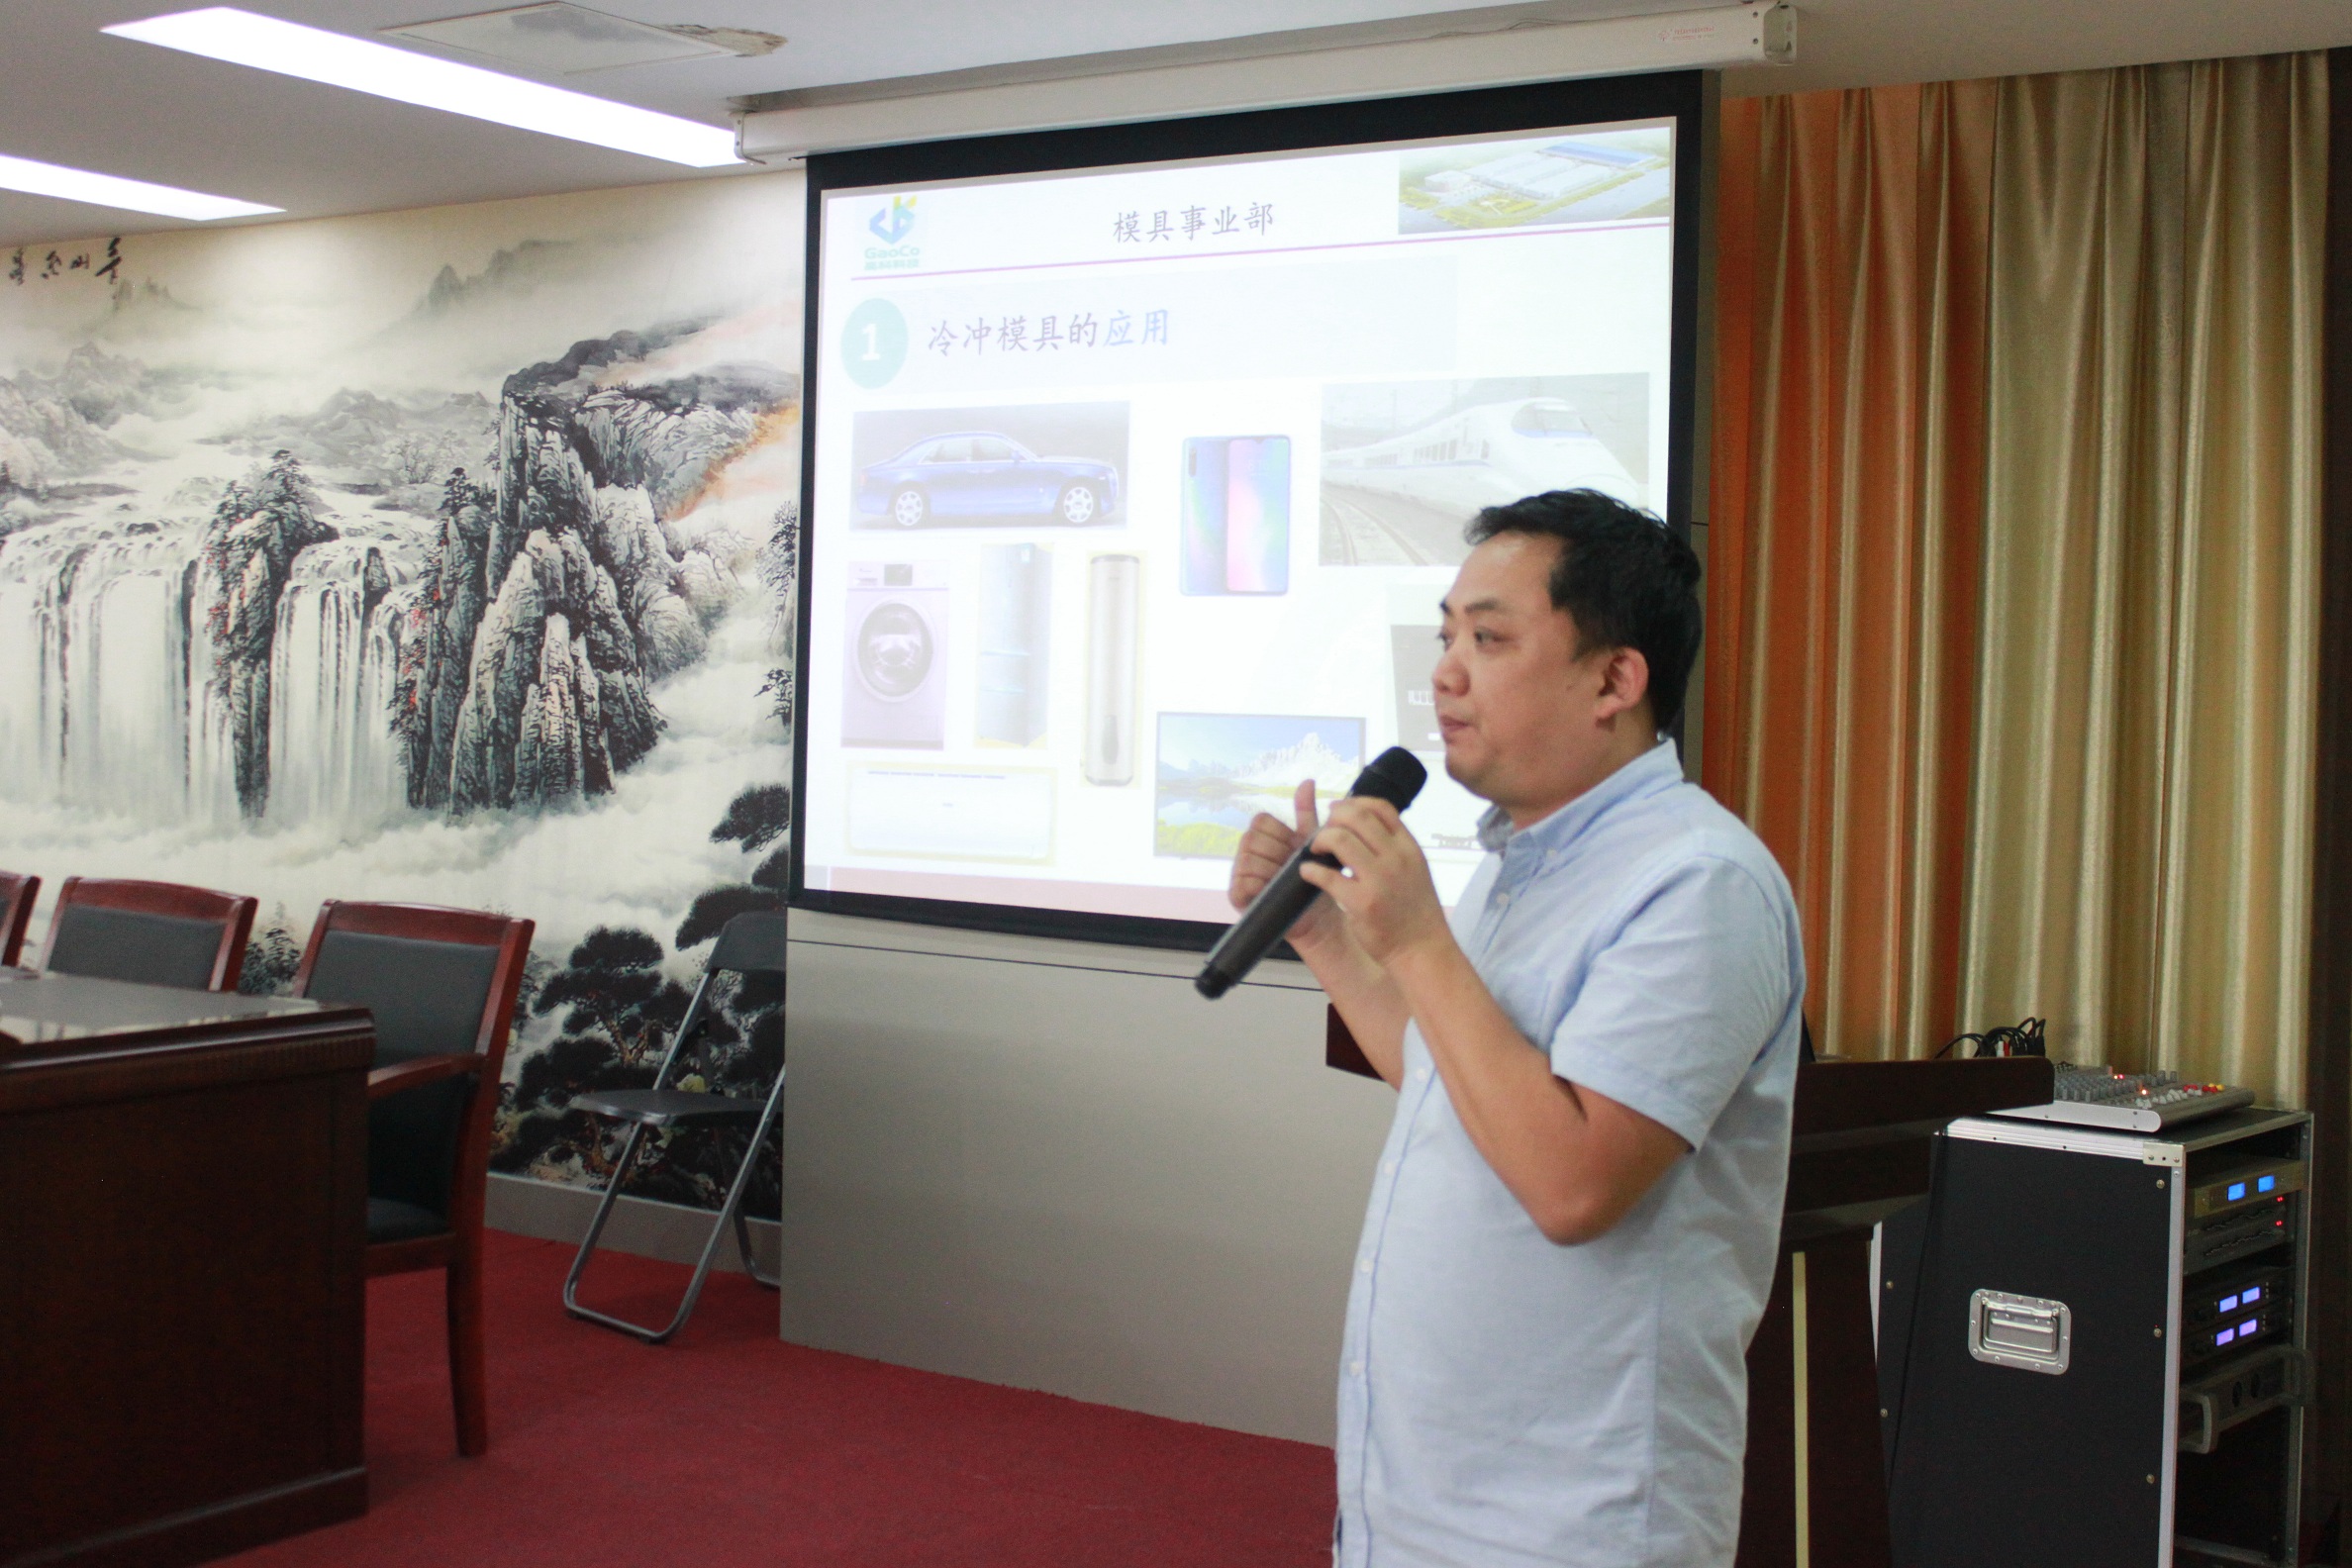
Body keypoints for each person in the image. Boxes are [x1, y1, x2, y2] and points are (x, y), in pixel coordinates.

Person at [1227, 488, 1805, 1567]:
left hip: (1572, 1518)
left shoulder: (1700, 883)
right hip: (1422, 1500)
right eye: (1446, 636)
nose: (1445, 673)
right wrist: (1327, 939)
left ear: (1614, 681)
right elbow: (1456, 1083)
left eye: (1488, 640)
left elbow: (1574, 1184)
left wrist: (1417, 943)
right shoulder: (1521, 862)